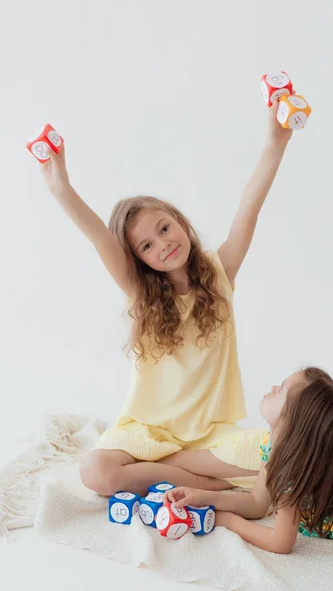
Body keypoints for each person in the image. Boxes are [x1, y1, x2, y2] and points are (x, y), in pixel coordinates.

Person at [38, 97, 293, 497]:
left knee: (279, 462)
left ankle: (172, 471)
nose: (162, 244)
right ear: (137, 259)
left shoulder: (220, 273)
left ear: (180, 222)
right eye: (145, 245)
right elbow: (98, 237)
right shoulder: (140, 293)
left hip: (210, 438)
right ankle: (202, 481)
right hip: (148, 433)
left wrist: (275, 144)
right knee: (95, 470)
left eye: (163, 228)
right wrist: (61, 187)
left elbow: (249, 208)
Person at [164, 367, 333, 553]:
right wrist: (202, 497)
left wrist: (227, 521)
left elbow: (281, 543)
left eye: (281, 390)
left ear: (294, 423)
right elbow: (257, 503)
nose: (274, 386)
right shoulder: (278, 446)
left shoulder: (293, 473)